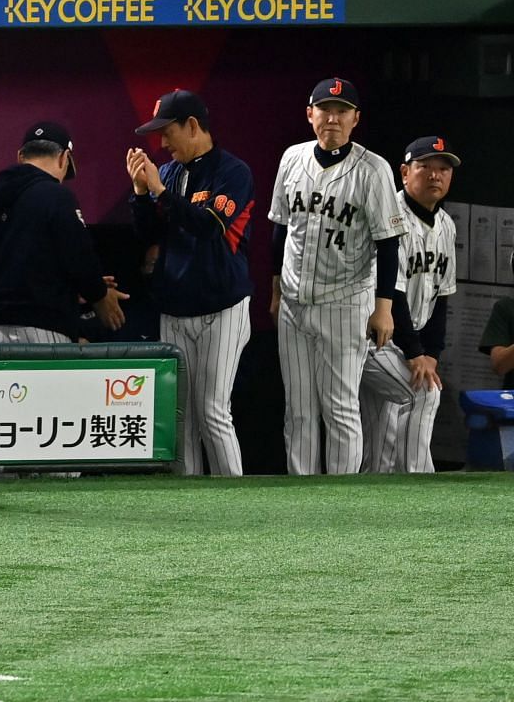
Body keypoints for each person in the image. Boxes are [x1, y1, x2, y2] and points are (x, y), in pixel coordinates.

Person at [267, 77, 407, 477]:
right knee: (298, 410)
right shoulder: (292, 158)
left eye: (342, 110)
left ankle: (341, 499)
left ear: (355, 119)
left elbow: (388, 244)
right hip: (294, 302)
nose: (333, 117)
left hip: (346, 303)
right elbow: (281, 230)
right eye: (325, 108)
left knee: (340, 408)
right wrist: (276, 292)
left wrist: (384, 309)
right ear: (310, 114)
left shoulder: (374, 169)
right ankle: (302, 493)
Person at [128, 89, 255, 476]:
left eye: (168, 132)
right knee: (181, 417)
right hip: (176, 307)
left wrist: (161, 192)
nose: (162, 143)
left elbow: (208, 227)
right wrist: (140, 193)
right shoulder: (168, 173)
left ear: (193, 126)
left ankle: (232, 498)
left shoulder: (233, 172)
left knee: (213, 410)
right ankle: (188, 503)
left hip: (222, 306)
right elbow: (149, 235)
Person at [359, 136, 458, 475]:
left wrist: (432, 352)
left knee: (380, 439)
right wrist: (417, 353)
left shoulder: (446, 225)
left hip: (405, 343)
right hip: (373, 339)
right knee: (424, 392)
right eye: (425, 167)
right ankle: (420, 484)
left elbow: (442, 295)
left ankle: (373, 510)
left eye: (443, 168)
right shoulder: (392, 215)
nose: (435, 175)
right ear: (404, 172)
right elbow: (393, 294)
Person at [0, 120, 126, 344]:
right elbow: (79, 256)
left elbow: (18, 269)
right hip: (43, 330)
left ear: (20, 156)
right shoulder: (57, 196)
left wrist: (69, 286)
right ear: (64, 158)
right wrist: (98, 294)